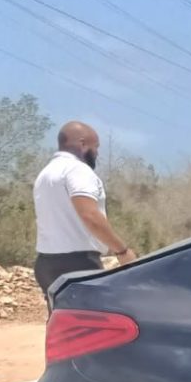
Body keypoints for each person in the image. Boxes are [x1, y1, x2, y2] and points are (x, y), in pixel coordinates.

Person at [32, 121, 134, 296]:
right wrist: (122, 251)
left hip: (45, 264)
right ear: (82, 144)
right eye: (96, 147)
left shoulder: (45, 174)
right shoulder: (78, 170)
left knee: (62, 321)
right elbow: (90, 216)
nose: (97, 153)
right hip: (78, 264)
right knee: (91, 321)